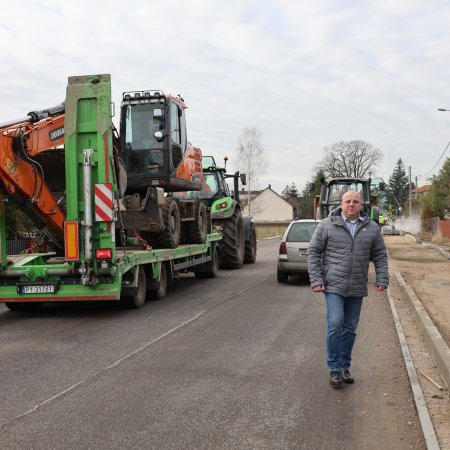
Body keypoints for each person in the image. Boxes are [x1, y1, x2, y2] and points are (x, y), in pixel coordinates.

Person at [308, 190, 389, 387]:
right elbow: (313, 251)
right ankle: (335, 368)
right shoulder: (327, 224)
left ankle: (344, 367)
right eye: (347, 201)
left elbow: (380, 255)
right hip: (333, 284)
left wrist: (382, 278)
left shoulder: (372, 228)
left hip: (357, 285)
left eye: (355, 201)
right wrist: (316, 279)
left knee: (350, 329)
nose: (351, 204)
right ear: (341, 204)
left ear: (361, 205)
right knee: (335, 324)